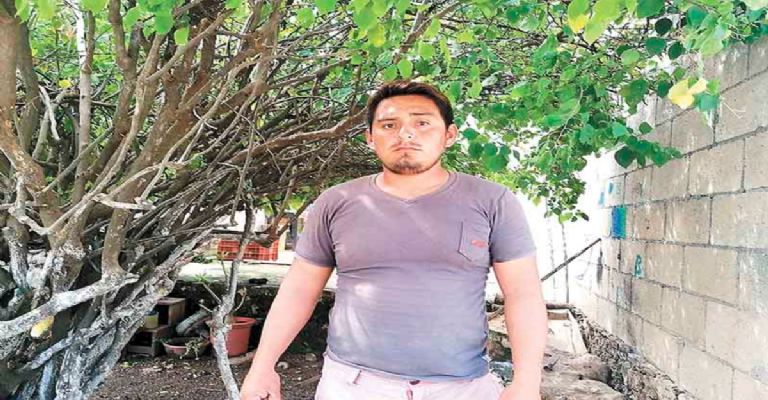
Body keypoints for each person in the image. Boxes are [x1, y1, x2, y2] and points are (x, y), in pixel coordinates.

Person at [240, 81, 547, 400]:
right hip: (351, 385)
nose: (406, 134)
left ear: (449, 135)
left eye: (422, 122)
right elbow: (299, 289)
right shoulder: (336, 202)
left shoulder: (492, 201)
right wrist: (262, 367)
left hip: (462, 388)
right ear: (370, 138)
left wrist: (526, 383)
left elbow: (523, 295)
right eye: (389, 125)